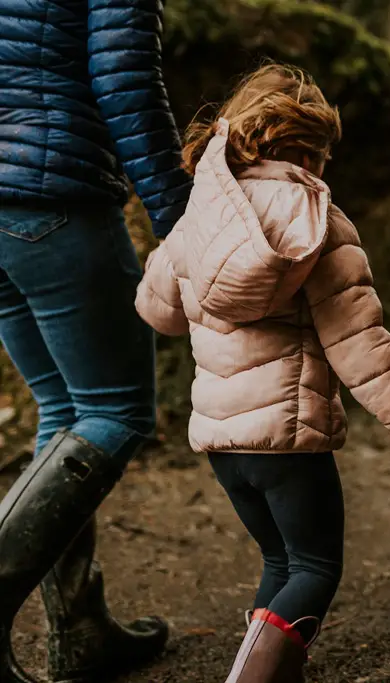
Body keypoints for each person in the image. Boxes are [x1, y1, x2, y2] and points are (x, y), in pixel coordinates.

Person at [134, 63, 390, 681]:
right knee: (314, 569)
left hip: (222, 441)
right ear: (308, 148)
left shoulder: (201, 216)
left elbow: (158, 311)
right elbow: (356, 335)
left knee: (280, 562)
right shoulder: (320, 223)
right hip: (287, 437)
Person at [0, 1, 192, 681]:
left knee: (64, 412)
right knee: (116, 411)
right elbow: (124, 78)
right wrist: (185, 220)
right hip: (54, 201)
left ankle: (80, 631)